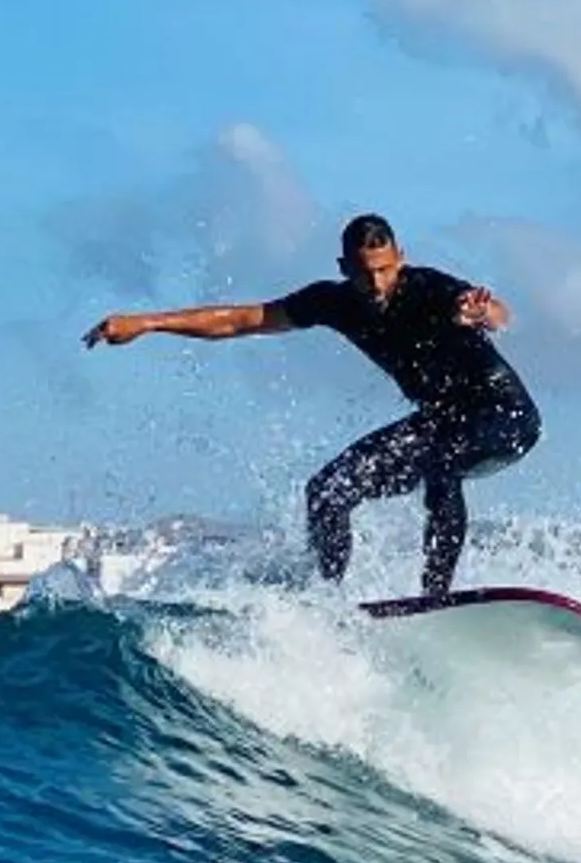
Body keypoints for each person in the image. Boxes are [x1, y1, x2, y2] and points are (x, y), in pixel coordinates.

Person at [84, 213, 538, 601]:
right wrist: (148, 323)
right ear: (344, 268)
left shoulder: (431, 288)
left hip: (503, 414)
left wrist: (482, 313)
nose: (376, 284)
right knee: (325, 493)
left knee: (441, 464)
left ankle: (436, 598)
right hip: (441, 422)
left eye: (384, 270)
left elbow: (496, 313)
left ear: (401, 257)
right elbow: (242, 320)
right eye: (364, 273)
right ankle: (327, 602)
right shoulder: (333, 302)